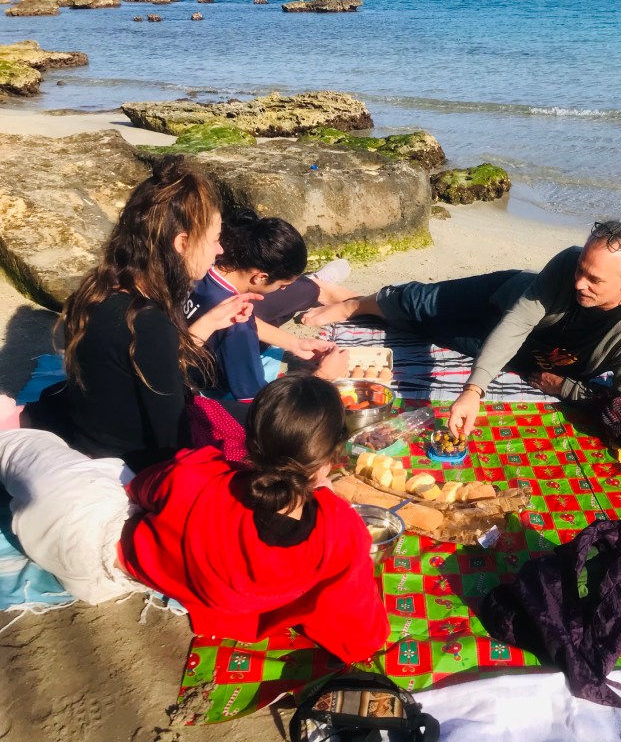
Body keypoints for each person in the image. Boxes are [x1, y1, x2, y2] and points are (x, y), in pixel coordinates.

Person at [0, 374, 390, 664]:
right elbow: (362, 633)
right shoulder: (341, 529)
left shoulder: (201, 474)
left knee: (28, 444)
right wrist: (323, 496)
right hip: (98, 582)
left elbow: (139, 490)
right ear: (331, 457)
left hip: (79, 520)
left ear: (250, 440)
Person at [302, 221, 621, 436]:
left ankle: (357, 298)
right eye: (580, 270)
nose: (579, 283)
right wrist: (473, 390)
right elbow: (517, 321)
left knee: (432, 329)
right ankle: (353, 303)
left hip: (524, 356)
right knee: (423, 302)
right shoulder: (569, 263)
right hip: (504, 299)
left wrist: (567, 388)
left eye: (594, 279)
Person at [20, 157, 259, 472]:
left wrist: (211, 322)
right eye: (214, 240)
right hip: (134, 461)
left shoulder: (97, 291)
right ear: (182, 243)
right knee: (269, 428)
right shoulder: (147, 323)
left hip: (93, 434)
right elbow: (173, 442)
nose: (220, 251)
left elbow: (144, 367)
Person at [184, 211, 350, 402]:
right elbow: (258, 405)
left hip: (191, 357)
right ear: (260, 277)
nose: (284, 289)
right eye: (282, 285)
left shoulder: (201, 269)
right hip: (209, 382)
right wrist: (322, 376)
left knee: (304, 291)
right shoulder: (238, 324)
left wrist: (296, 344)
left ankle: (316, 283)